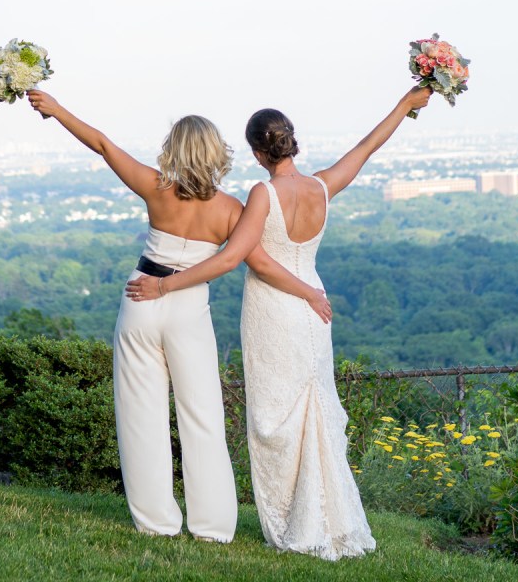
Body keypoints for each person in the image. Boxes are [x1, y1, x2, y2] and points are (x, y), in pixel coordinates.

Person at [127, 86, 431, 559]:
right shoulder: (322, 187)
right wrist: (405, 105)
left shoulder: (261, 194)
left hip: (274, 309)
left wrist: (164, 285)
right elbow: (368, 147)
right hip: (315, 310)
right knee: (312, 408)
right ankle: (327, 517)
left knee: (274, 419)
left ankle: (294, 520)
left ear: (256, 152)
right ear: (292, 142)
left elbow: (239, 259)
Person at [27, 90, 331, 542]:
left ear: (174, 149)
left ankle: (156, 523)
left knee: (140, 415)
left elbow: (103, 144)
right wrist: (309, 292)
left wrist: (55, 110)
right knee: (202, 416)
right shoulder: (232, 209)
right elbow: (259, 263)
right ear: (215, 153)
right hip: (188, 308)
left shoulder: (156, 188)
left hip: (141, 298)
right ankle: (212, 527)